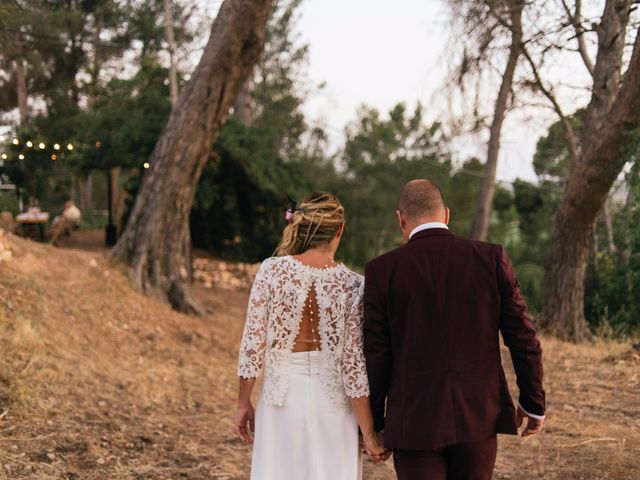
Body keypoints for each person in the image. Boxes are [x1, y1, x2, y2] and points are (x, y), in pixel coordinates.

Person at [364, 179, 546, 480]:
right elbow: (524, 338)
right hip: (478, 415)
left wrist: (375, 424)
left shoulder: (382, 271)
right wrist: (532, 402)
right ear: (446, 215)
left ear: (401, 218)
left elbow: (376, 354)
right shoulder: (490, 258)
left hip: (414, 421)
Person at [235, 192, 390, 479]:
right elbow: (352, 365)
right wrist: (369, 432)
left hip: (280, 402)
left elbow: (253, 344)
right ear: (340, 230)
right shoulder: (354, 285)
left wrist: (243, 402)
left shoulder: (271, 271)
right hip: (334, 407)